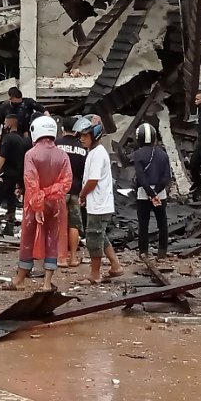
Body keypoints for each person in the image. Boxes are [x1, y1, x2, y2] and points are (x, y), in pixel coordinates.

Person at [11, 116, 71, 291]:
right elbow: (66, 182)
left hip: (34, 203)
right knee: (52, 239)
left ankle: (20, 279)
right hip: (56, 204)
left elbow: (31, 181)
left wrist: (38, 201)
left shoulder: (31, 154)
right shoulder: (63, 155)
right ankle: (46, 283)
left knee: (28, 239)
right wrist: (49, 193)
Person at [78, 122, 123, 285]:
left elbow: (93, 180)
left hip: (98, 204)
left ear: (94, 136)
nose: (82, 139)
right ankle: (115, 265)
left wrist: (82, 195)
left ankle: (95, 274)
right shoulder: (94, 152)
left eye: (85, 136)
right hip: (98, 202)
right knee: (101, 236)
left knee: (94, 239)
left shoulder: (97, 154)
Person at [130, 122, 171, 259]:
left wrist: (150, 194)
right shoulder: (163, 154)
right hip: (161, 193)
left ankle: (143, 252)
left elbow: (141, 177)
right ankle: (162, 251)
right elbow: (166, 177)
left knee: (143, 224)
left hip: (144, 193)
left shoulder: (138, 154)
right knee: (162, 223)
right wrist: (156, 193)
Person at [56, 116, 92, 268]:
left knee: (60, 223)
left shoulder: (56, 145)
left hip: (59, 190)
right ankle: (74, 258)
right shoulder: (82, 149)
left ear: (63, 129)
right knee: (74, 225)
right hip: (76, 190)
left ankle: (61, 258)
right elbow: (85, 172)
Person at [0, 114, 28, 236]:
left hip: (5, 174)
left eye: (5, 123)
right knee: (11, 200)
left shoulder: (7, 138)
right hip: (16, 175)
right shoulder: (22, 140)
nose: (4, 125)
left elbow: (2, 157)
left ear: (10, 124)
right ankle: (9, 226)